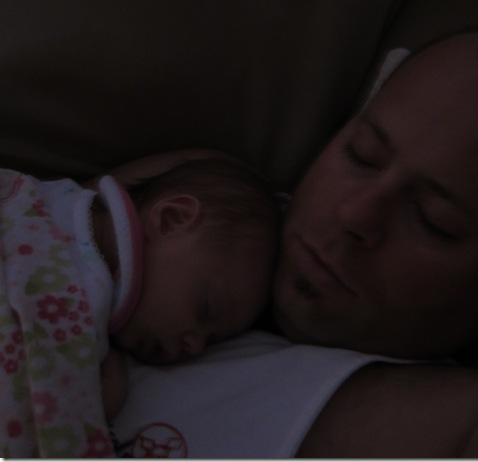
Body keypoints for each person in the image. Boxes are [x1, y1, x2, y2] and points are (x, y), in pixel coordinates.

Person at [109, 28, 478, 457]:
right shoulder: (204, 199)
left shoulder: (466, 422)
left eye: (433, 220)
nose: (354, 215)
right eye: (361, 155)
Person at [0, 150, 280, 457]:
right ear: (172, 219)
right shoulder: (43, 199)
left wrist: (95, 394)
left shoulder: (95, 343)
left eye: (213, 341)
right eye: (205, 311)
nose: (195, 345)